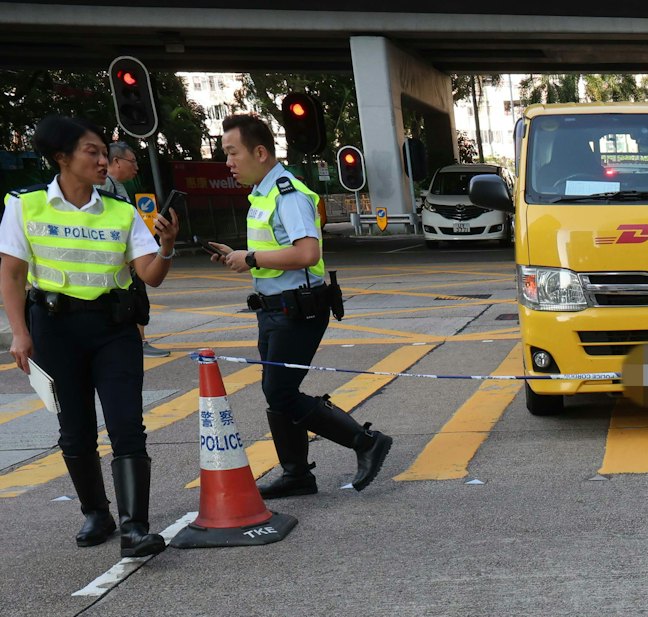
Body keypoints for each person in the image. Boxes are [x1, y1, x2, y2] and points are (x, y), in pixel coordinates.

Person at [1, 115, 179, 555]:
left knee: (126, 424)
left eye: (104, 153)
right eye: (92, 152)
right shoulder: (25, 205)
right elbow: (12, 274)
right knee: (75, 429)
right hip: (54, 329)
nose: (103, 161)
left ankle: (135, 527)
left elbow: (150, 275)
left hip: (113, 330)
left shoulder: (121, 210)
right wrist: (20, 334)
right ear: (62, 157)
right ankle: (96, 513)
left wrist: (167, 246)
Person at [205, 113, 391, 497]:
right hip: (273, 309)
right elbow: (275, 252)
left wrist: (251, 258)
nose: (228, 162)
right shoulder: (262, 195)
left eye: (233, 152)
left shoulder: (287, 194)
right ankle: (296, 475)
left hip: (297, 310)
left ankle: (366, 442)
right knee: (275, 390)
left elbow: (307, 253)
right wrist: (241, 257)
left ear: (260, 152)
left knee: (280, 391)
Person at [100, 141, 165, 358]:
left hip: (130, 259)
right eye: (133, 161)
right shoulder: (106, 185)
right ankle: (138, 342)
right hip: (123, 262)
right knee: (134, 299)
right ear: (116, 161)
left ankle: (139, 340)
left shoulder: (115, 185)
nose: (136, 167)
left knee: (137, 298)